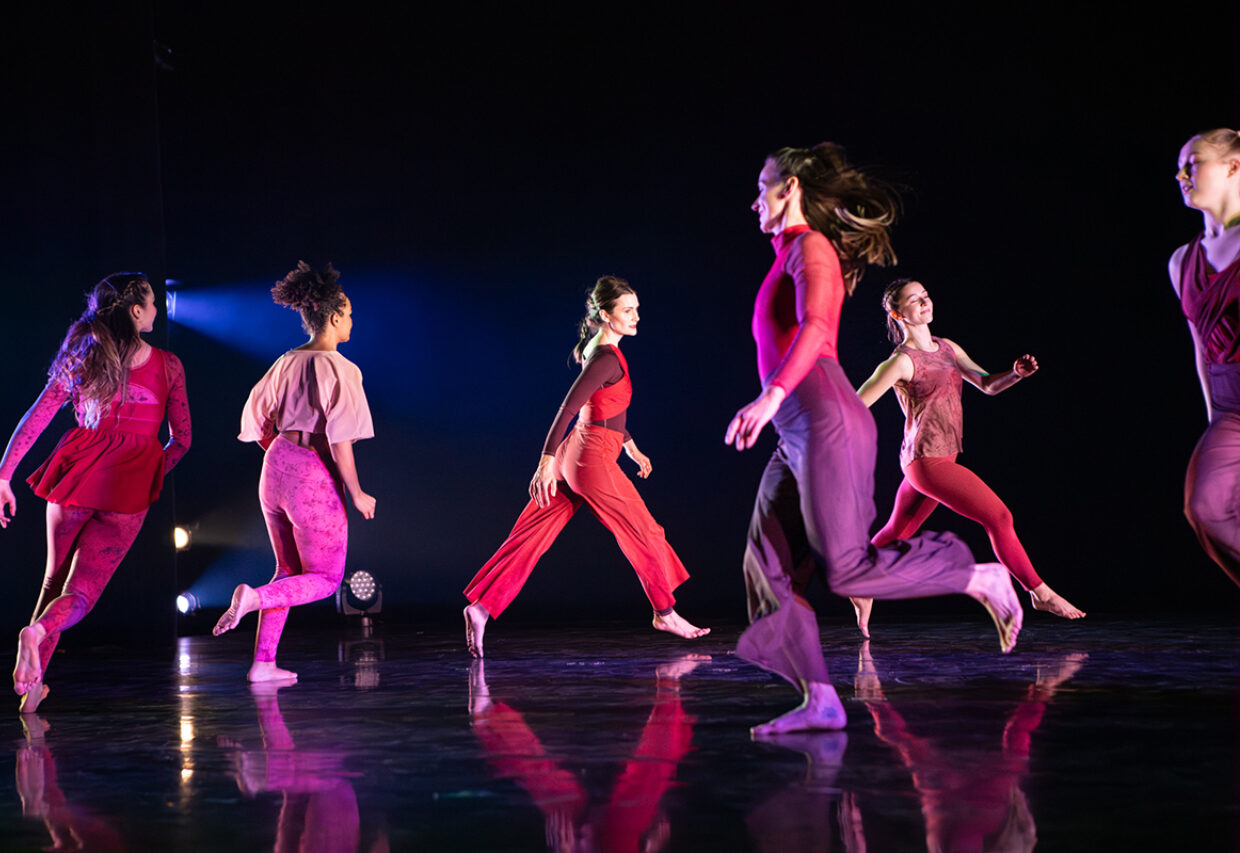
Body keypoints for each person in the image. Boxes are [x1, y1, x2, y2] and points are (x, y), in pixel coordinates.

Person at [724, 144, 1022, 735]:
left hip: (826, 421)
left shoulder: (812, 249)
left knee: (847, 570)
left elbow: (816, 329)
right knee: (767, 565)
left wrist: (773, 394)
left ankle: (980, 577)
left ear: (792, 189)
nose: (755, 197)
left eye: (764, 185)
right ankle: (819, 700)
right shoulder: (786, 253)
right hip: (798, 431)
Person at [463, 276, 709, 657]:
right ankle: (665, 611)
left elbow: (603, 409)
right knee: (643, 531)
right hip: (588, 459)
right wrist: (544, 461)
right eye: (628, 311)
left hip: (578, 453)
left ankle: (481, 608)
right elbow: (569, 406)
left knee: (531, 536)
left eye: (637, 310)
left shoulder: (597, 349)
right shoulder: (607, 357)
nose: (636, 317)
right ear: (607, 315)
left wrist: (630, 445)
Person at [0, 273, 191, 713]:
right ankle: (37, 637)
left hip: (75, 471)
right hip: (128, 484)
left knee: (52, 581)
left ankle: (31, 690)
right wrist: (151, 471)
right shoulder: (168, 364)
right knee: (79, 594)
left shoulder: (84, 354)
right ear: (137, 312)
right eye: (153, 302)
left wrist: (2, 478)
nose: (157, 310)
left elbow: (37, 416)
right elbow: (182, 440)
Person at [850, 278, 1085, 636]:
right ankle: (1039, 592)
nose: (925, 303)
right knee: (999, 517)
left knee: (899, 530)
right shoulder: (899, 363)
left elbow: (987, 384)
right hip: (927, 462)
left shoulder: (947, 348)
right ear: (899, 314)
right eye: (915, 301)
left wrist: (1015, 374)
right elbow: (855, 405)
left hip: (941, 458)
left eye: (926, 296)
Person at [213, 262, 376, 681]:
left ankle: (263, 664)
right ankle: (251, 600)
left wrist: (283, 455)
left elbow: (257, 416)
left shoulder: (285, 361)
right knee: (323, 578)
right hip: (310, 475)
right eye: (350, 314)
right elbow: (340, 439)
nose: (352, 321)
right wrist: (356, 493)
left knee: (288, 570)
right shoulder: (342, 368)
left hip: (276, 465)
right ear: (335, 316)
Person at [1172, 128, 1240, 585]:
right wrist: (1214, 415)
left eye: (1193, 163)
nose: (1181, 175)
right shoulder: (1182, 260)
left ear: (1234, 167)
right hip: (1230, 409)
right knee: (1206, 508)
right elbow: (1201, 345)